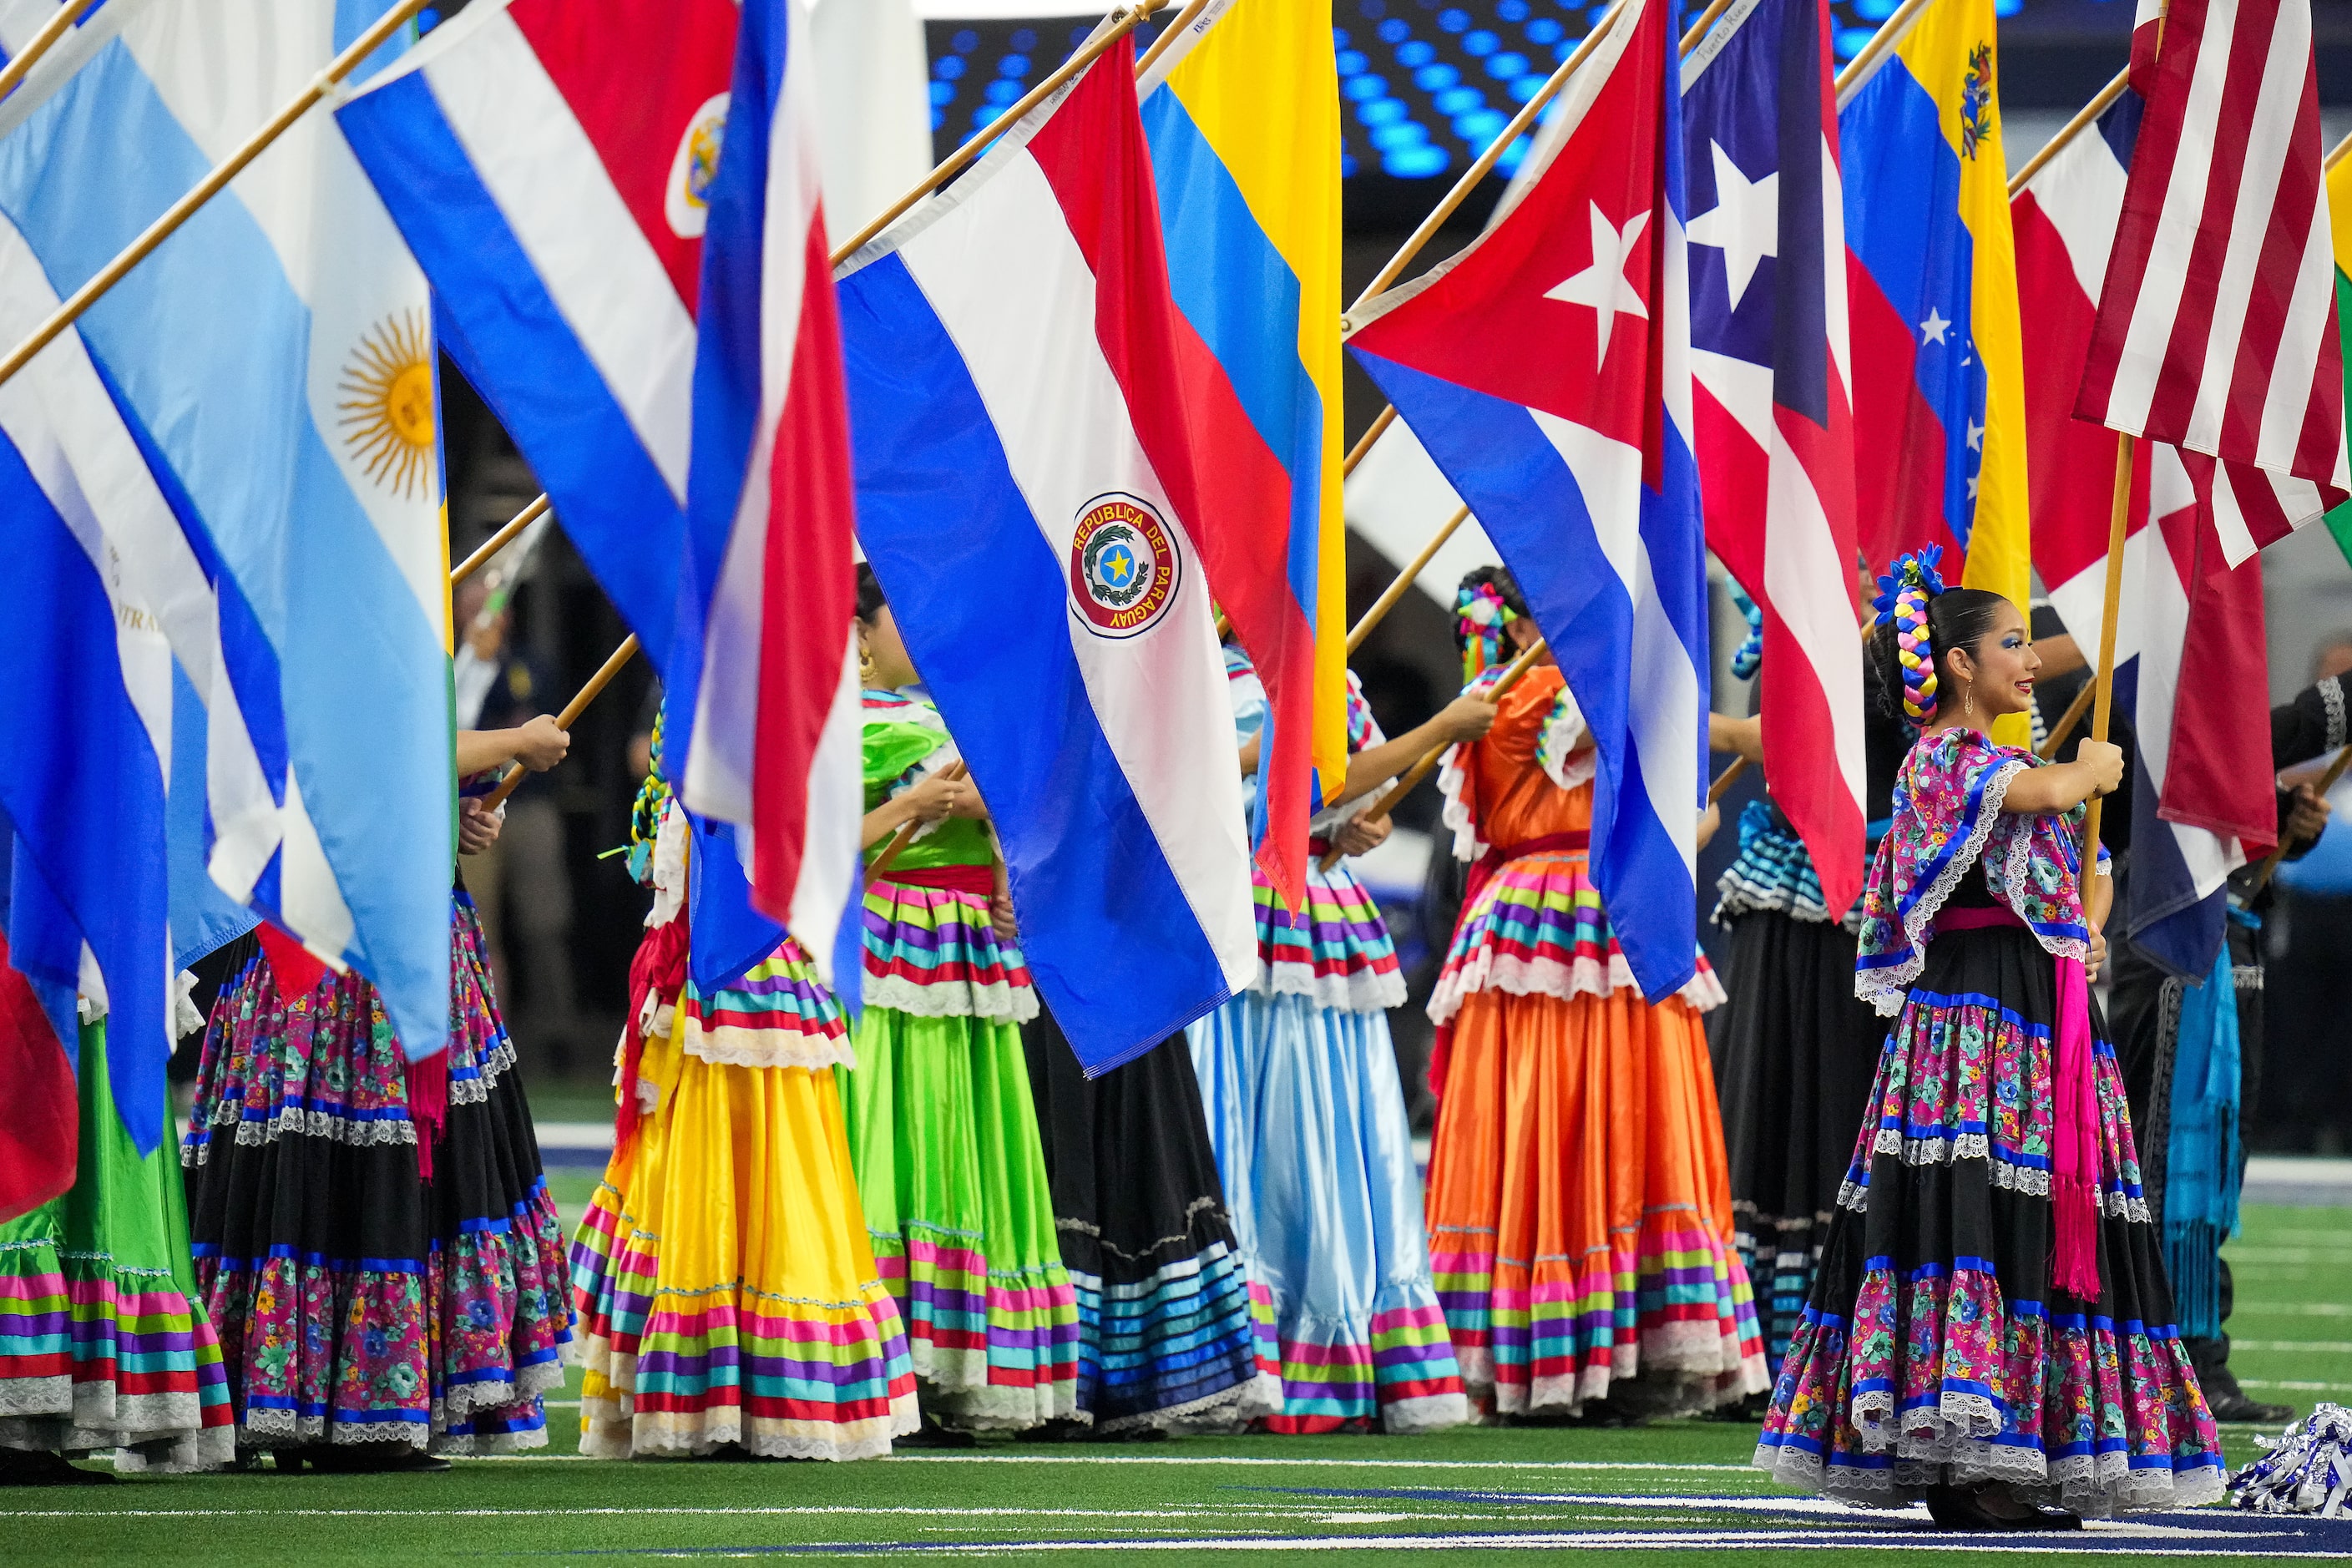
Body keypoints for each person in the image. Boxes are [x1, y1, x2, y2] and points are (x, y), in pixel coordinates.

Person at [1755, 549, 2222, 1525]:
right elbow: (2032, 797)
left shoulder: (2005, 762)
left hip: (2040, 1018)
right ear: (1959, 665)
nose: (2029, 659)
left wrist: (2086, 894)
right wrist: (2082, 773)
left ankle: (2019, 1452)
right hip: (1973, 1022)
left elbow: (2068, 879)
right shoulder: (1944, 759)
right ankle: (1966, 1458)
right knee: (1974, 1209)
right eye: (2011, 642)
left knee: (2041, 1221)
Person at [180, 718, 578, 1469]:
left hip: (371, 919)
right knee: (339, 1149)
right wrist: (513, 741)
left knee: (347, 1155)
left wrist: (437, 813)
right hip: (329, 938)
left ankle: (329, 1402)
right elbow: (361, 739)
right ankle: (332, 1408)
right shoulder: (316, 609)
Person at [1423, 568, 1762, 1423]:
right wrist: (1739, 747)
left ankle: (1537, 1341)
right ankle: (1615, 1337)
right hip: (1592, 906)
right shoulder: (1557, 689)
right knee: (1614, 1110)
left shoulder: (1494, 697)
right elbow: (1677, 749)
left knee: (1538, 1118)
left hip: (1531, 918)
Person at [568, 716, 920, 1459]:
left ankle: (733, 1386)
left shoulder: (728, 703)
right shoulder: (731, 707)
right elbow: (788, 848)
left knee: (765, 1166)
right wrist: (902, 812)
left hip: (743, 969)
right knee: (747, 1168)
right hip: (720, 968)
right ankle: (732, 1387)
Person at [1184, 636, 1484, 1434]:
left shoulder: (1329, 678)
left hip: (1318, 909)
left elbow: (1344, 789)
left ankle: (1325, 1340)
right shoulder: (1198, 667)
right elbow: (1301, 776)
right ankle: (1243, 1348)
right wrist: (1440, 729)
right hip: (1246, 903)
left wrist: (1355, 823)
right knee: (1254, 1122)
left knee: (1329, 1131)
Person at [839, 566, 1080, 1433]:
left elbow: (1001, 806)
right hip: (894, 939)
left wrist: (1002, 866)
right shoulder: (863, 725)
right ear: (862, 632)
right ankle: (889, 1347)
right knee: (896, 1129)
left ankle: (956, 1356)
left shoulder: (943, 715)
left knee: (968, 1131)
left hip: (965, 940)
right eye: (906, 610)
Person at [2103, 671, 2341, 1424]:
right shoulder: (2137, 693)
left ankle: (2199, 1356)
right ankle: (2137, 1355)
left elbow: (2223, 809)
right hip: (2165, 946)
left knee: (2216, 1165)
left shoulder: (2192, 703)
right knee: (2156, 1158)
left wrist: (2282, 823)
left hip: (2228, 940)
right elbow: (2207, 768)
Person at [1706, 581, 1915, 1376]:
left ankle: (1842, 1322)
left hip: (1862, 898)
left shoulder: (1899, 641)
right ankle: (1767, 1322)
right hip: (1791, 893)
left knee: (1836, 1098)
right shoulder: (1793, 628)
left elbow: (1789, 737)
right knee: (1770, 1095)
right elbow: (1778, 738)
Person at [0, 876, 234, 1481]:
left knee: (97, 1148)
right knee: (40, 1141)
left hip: (99, 899)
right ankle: (19, 1421)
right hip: (46, 896)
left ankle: (41, 1423)